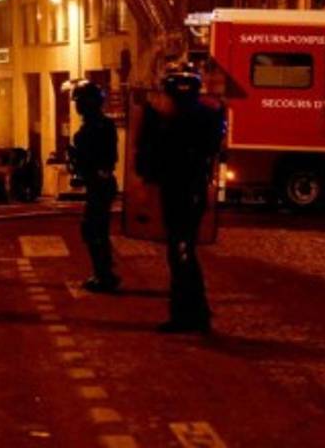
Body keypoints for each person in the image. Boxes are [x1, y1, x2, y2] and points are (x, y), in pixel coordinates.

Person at [136, 62, 225, 333]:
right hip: (194, 190)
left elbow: (147, 155)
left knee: (180, 252)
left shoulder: (164, 121)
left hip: (177, 191)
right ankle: (194, 311)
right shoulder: (207, 117)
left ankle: (189, 314)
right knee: (183, 251)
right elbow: (216, 146)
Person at [68, 80, 120, 293]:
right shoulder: (104, 125)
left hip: (99, 184)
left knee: (94, 230)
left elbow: (99, 159)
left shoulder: (90, 130)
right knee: (97, 229)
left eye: (78, 101)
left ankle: (104, 275)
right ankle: (103, 272)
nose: (76, 106)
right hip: (102, 183)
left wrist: (77, 157)